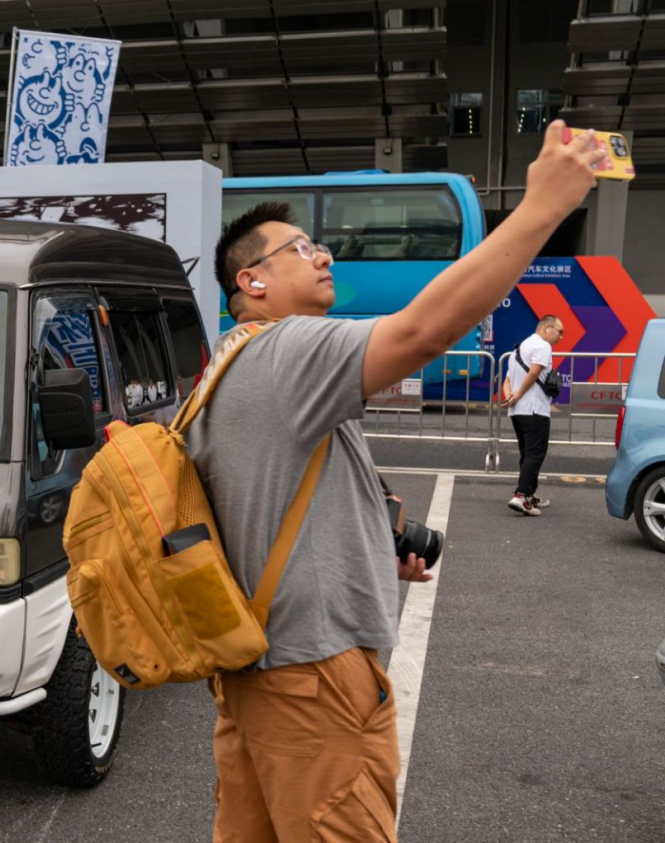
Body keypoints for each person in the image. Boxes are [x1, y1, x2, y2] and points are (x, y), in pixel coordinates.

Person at [187, 120, 604, 842]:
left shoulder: (228, 368)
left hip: (259, 676)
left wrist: (370, 552)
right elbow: (422, 332)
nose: (323, 254)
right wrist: (542, 208)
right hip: (315, 681)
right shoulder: (288, 350)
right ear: (249, 282)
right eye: (301, 247)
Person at [502, 316, 564, 515]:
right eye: (559, 331)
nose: (561, 337)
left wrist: (510, 397)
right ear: (547, 328)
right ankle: (522, 496)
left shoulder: (517, 350)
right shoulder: (543, 346)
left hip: (517, 410)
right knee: (536, 453)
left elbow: (507, 380)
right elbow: (535, 372)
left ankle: (529, 494)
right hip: (534, 408)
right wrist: (519, 394)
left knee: (527, 453)